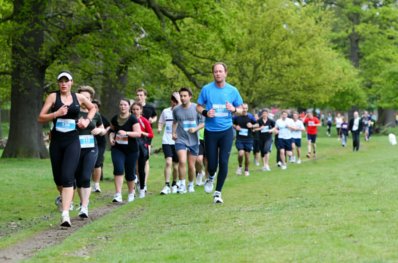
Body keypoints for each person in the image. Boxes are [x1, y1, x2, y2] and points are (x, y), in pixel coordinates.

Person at [38, 71, 96, 227]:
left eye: (66, 81)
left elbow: (92, 108)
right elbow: (40, 117)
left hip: (72, 141)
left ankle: (65, 214)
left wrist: (86, 120)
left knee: (67, 176)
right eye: (61, 81)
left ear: (71, 82)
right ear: (58, 83)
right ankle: (65, 198)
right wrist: (56, 113)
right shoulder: (53, 97)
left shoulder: (79, 98)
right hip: (57, 142)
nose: (63, 84)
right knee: (59, 179)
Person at [196, 62, 243, 204]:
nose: (218, 73)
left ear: (225, 73)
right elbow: (198, 106)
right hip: (210, 131)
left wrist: (233, 109)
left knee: (223, 161)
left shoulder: (233, 90)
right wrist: (205, 112)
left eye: (220, 71)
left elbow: (241, 109)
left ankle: (218, 192)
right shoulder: (206, 89)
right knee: (212, 164)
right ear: (213, 74)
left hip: (226, 131)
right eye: (215, 71)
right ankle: (210, 176)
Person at [75, 86, 106, 218]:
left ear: (91, 99)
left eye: (87, 98)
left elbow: (103, 129)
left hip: (91, 148)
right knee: (78, 178)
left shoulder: (96, 114)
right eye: (82, 98)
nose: (84, 100)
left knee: (86, 175)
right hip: (75, 148)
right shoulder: (73, 112)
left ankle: (85, 207)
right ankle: (82, 202)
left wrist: (99, 131)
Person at [172, 87, 204, 193]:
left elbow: (204, 122)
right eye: (181, 96)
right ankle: (181, 185)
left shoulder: (197, 108)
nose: (183, 98)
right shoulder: (176, 109)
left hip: (194, 140)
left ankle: (190, 184)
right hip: (180, 139)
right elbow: (175, 122)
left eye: (185, 96)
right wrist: (173, 133)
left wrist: (195, 129)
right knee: (182, 161)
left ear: (190, 96)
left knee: (191, 165)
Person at [109, 99, 141, 203]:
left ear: (129, 106)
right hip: (118, 149)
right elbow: (111, 131)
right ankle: (118, 194)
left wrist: (126, 133)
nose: (123, 107)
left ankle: (131, 193)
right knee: (118, 169)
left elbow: (138, 133)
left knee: (130, 172)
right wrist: (111, 139)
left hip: (131, 150)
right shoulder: (114, 118)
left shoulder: (133, 119)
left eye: (125, 105)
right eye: (121, 105)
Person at [158, 92, 181, 195]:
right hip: (167, 140)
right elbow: (161, 121)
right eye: (173, 100)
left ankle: (174, 184)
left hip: (178, 141)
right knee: (168, 162)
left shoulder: (181, 111)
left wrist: (179, 101)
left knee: (176, 166)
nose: (174, 103)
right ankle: (166, 185)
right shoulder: (165, 111)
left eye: (176, 101)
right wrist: (159, 128)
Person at [131, 102, 153, 198]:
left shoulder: (144, 120)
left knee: (141, 167)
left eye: (137, 109)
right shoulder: (129, 119)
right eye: (134, 109)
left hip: (142, 145)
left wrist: (142, 133)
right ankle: (134, 184)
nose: (135, 111)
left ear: (141, 110)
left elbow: (151, 134)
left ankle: (142, 187)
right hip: (131, 145)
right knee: (133, 166)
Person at [136, 88, 157, 192]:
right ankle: (138, 179)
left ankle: (144, 183)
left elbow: (155, 116)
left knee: (146, 159)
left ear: (145, 96)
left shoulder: (150, 107)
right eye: (138, 95)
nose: (139, 97)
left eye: (141, 95)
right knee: (136, 160)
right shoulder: (134, 107)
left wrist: (152, 120)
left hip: (146, 136)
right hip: (135, 136)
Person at [91, 99, 110, 193]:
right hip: (88, 142)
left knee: (97, 162)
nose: (93, 108)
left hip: (100, 143)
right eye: (92, 106)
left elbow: (109, 125)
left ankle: (96, 185)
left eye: (96, 107)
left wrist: (104, 131)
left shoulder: (100, 117)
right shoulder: (86, 116)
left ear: (98, 108)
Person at [233, 103, 257, 176]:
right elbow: (230, 123)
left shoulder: (250, 117)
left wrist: (252, 125)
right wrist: (235, 126)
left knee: (247, 155)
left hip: (249, 139)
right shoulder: (236, 117)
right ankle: (240, 166)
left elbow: (258, 124)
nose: (244, 110)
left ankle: (246, 169)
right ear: (241, 108)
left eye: (246, 108)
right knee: (240, 153)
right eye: (243, 108)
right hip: (240, 138)